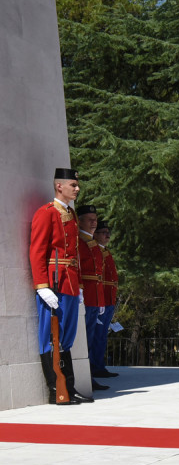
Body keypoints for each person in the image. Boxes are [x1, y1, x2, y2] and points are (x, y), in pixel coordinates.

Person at [29, 167, 91, 404]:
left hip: (71, 282)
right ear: (59, 186)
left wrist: (81, 286)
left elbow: (74, 253)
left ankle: (70, 387)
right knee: (50, 336)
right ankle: (56, 390)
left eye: (77, 185)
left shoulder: (71, 215)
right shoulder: (46, 213)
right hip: (53, 282)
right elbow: (37, 250)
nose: (77, 188)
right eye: (73, 185)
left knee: (67, 336)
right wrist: (42, 286)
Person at [77, 205, 109, 393]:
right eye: (89, 219)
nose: (94, 222)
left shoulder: (92, 244)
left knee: (90, 338)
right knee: (85, 340)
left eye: (95, 218)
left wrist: (101, 301)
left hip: (95, 297)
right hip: (85, 296)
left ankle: (89, 376)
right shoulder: (79, 242)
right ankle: (85, 376)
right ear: (79, 220)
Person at [92, 221, 118, 378]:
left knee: (101, 336)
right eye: (103, 232)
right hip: (100, 299)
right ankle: (95, 366)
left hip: (109, 298)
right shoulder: (97, 251)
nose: (107, 235)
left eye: (108, 232)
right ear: (95, 234)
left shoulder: (105, 251)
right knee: (97, 336)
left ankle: (99, 366)